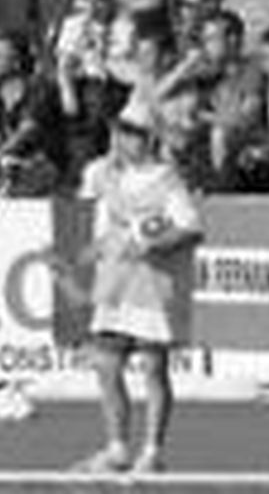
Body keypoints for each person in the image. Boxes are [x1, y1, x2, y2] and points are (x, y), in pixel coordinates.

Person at [75, 96, 202, 476]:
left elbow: (190, 229)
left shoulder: (166, 179)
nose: (123, 139)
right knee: (106, 365)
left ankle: (152, 452)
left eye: (132, 133)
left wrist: (150, 244)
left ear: (148, 139)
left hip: (152, 286)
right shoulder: (105, 175)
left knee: (153, 369)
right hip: (115, 285)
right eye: (121, 131)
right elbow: (95, 222)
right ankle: (116, 448)